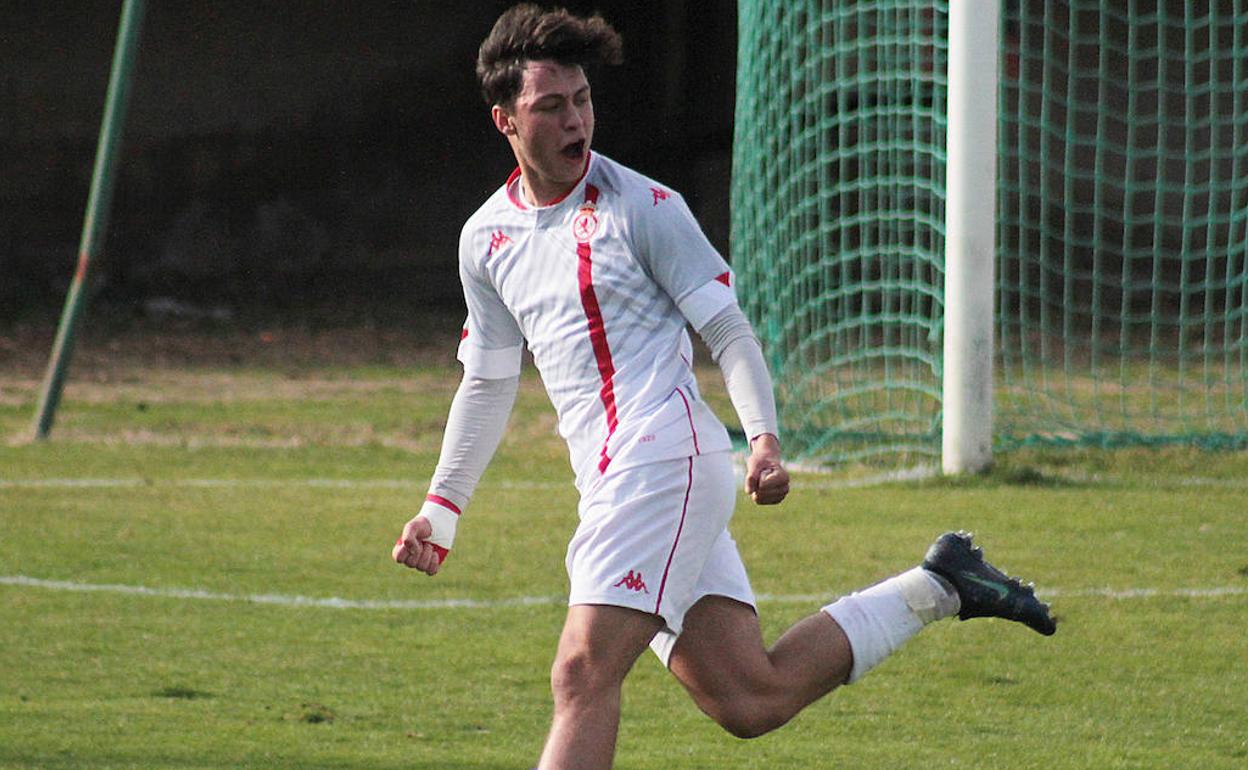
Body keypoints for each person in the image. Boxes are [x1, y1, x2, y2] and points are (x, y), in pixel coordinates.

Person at [392, 5, 1056, 768]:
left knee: (581, 671)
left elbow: (729, 330)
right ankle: (941, 585)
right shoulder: (487, 239)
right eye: (552, 106)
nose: (577, 119)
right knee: (750, 697)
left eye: (583, 99)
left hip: (665, 460)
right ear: (505, 119)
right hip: (610, 479)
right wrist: (442, 506)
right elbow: (486, 380)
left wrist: (765, 437)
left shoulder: (645, 208)